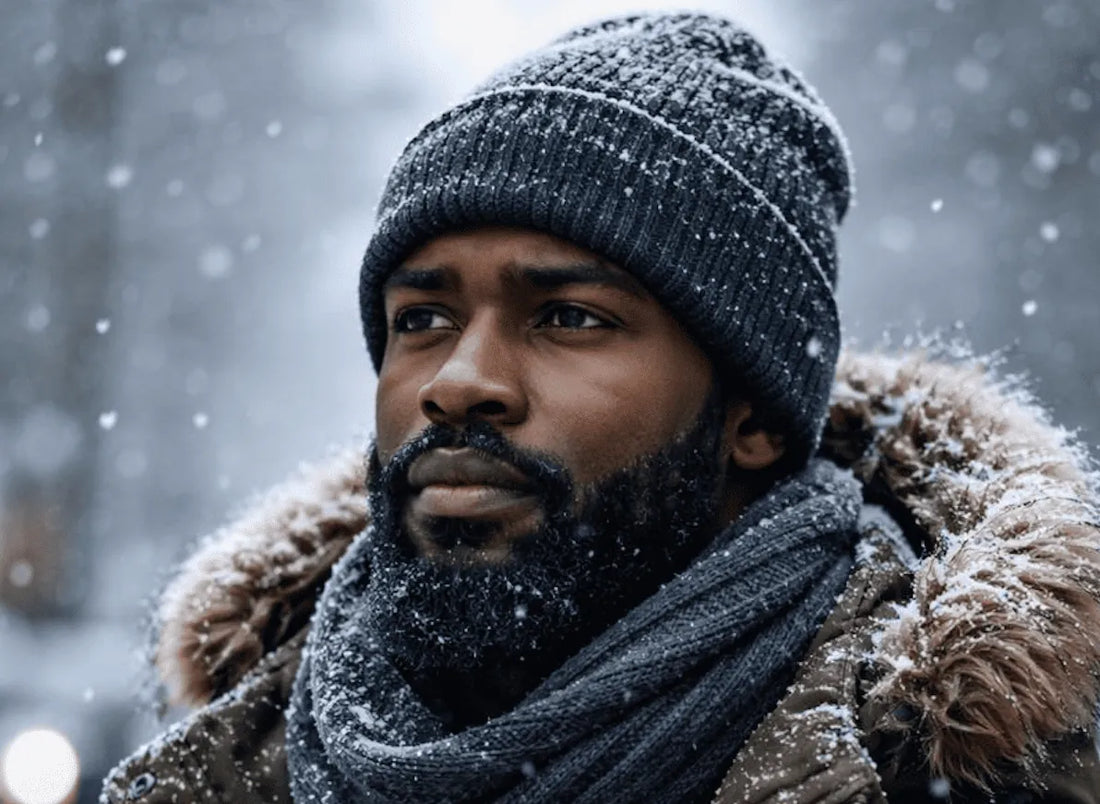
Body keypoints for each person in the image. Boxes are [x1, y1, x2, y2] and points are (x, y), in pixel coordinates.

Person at [102, 12, 1100, 803]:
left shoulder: (979, 778)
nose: (458, 379)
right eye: (422, 318)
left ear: (749, 415)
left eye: (569, 316)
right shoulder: (231, 766)